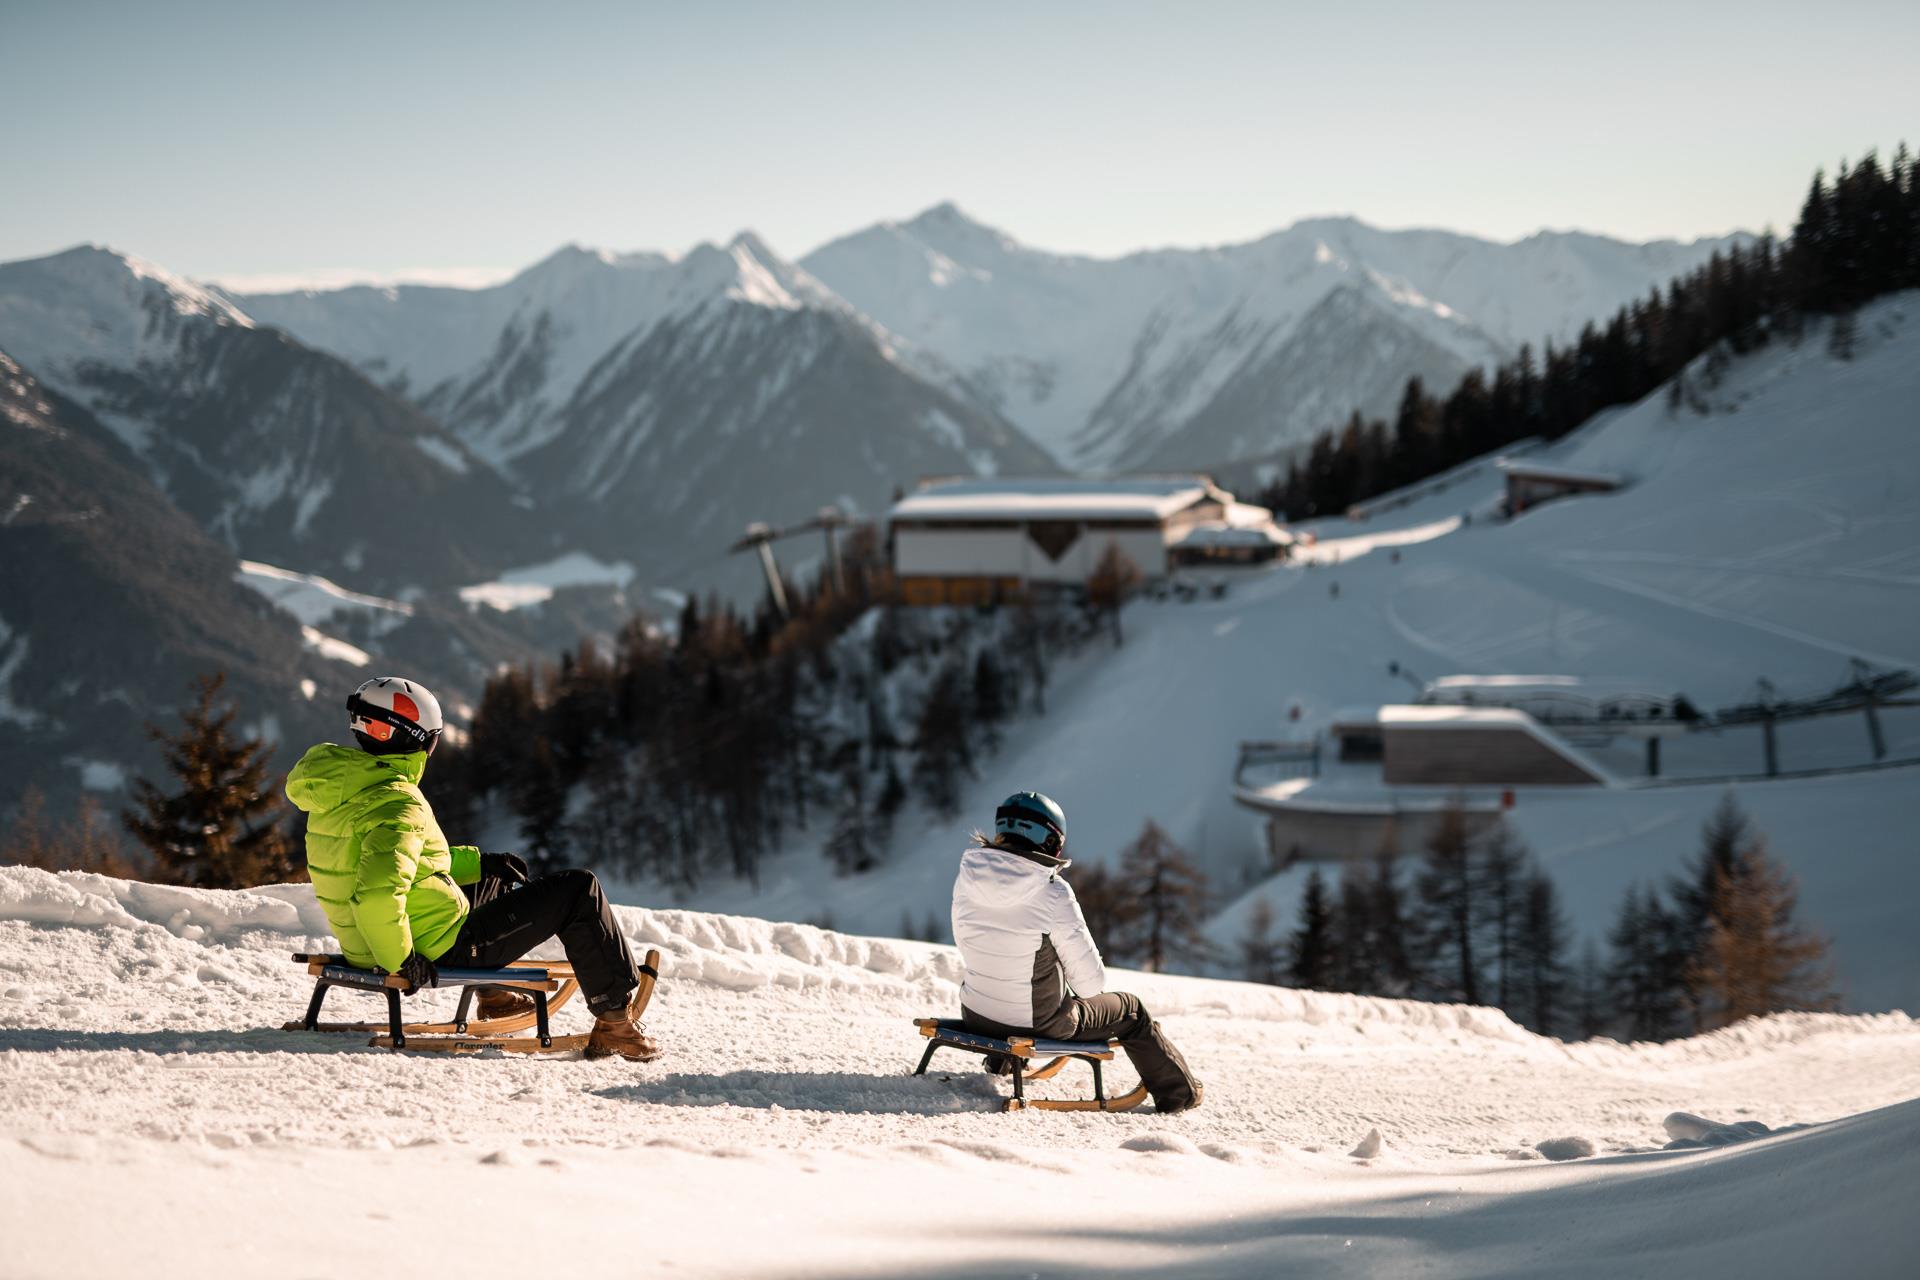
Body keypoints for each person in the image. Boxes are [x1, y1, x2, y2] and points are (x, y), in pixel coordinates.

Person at [286, 675, 659, 1061]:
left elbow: (404, 862)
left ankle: (494, 998)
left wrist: (479, 863)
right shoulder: (398, 802)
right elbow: (378, 892)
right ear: (419, 739)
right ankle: (615, 1019)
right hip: (430, 949)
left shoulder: (344, 786)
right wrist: (402, 961)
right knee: (579, 890)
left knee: (493, 878)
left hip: (366, 944)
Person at [949, 791, 1202, 1113]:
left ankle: (1001, 1062)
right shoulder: (1051, 892)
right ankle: (1180, 1094)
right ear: (1051, 840)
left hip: (976, 1013)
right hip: (1035, 1024)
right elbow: (1090, 986)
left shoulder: (967, 876)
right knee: (1131, 1010)